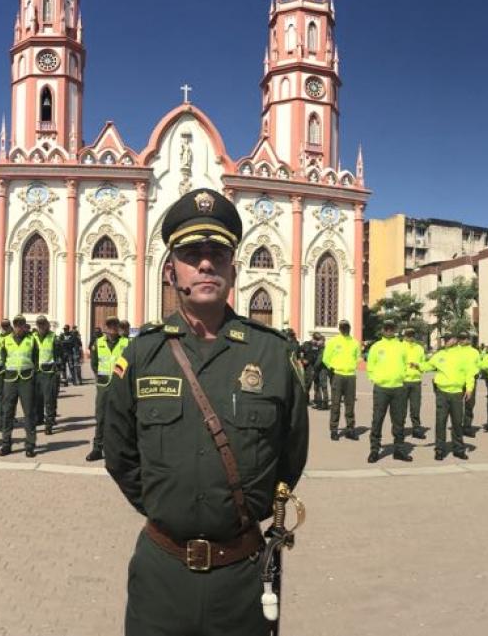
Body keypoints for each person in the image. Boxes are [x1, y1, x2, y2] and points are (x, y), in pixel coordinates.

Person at [101, 188, 308, 636]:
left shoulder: (273, 355)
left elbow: (291, 457)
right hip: (162, 574)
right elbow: (118, 454)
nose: (206, 263)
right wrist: (167, 506)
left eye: (218, 252)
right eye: (192, 253)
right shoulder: (141, 356)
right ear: (172, 268)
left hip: (243, 575)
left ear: (233, 266)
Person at [422, 332, 473, 460]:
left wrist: (469, 388)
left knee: (457, 423)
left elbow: (470, 372)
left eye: (447, 339)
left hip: (457, 393)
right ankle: (439, 450)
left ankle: (458, 449)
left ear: (455, 340)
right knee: (440, 422)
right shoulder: (440, 355)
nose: (445, 342)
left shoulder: (463, 355)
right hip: (442, 393)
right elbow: (428, 366)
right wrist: (417, 366)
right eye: (444, 340)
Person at [366, 320, 411, 463]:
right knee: (377, 419)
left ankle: (399, 450)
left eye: (392, 328)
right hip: (381, 389)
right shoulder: (376, 346)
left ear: (395, 329)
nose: (389, 331)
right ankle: (374, 450)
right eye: (386, 328)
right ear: (383, 330)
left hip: (398, 388)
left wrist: (402, 377)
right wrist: (376, 379)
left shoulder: (402, 346)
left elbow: (406, 364)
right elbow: (370, 366)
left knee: (399, 421)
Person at [85, 317, 129, 462]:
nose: (112, 328)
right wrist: (100, 376)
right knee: (101, 418)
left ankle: (120, 450)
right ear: (105, 327)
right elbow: (94, 363)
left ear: (118, 327)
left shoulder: (126, 342)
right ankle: (97, 449)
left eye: (114, 325)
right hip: (103, 386)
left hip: (120, 386)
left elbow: (129, 362)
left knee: (122, 418)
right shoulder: (98, 343)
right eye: (109, 325)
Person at [0, 314, 39, 457]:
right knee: (8, 412)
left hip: (26, 379)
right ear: (13, 326)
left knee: (29, 413)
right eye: (16, 324)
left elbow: (36, 359)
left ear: (24, 325)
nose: (19, 327)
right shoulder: (5, 341)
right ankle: (6, 444)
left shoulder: (31, 340)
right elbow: (3, 359)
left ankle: (30, 445)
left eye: (21, 324)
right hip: (10, 379)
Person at [322, 320, 359, 441]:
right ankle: (334, 429)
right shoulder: (333, 342)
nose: (344, 329)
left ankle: (350, 429)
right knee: (336, 403)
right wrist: (332, 368)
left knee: (350, 404)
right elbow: (325, 358)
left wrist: (352, 366)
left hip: (350, 376)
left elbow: (357, 357)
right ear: (339, 328)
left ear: (349, 328)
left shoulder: (354, 342)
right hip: (337, 375)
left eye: (346, 327)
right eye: (342, 327)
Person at [33, 316, 59, 435]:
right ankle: (39, 419)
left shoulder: (53, 337)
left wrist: (57, 368)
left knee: (49, 399)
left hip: (49, 372)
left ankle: (48, 424)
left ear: (47, 324)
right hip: (37, 372)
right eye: (39, 324)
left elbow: (59, 354)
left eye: (43, 324)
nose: (41, 326)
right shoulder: (33, 338)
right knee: (37, 398)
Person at [455, 333, 483, 436]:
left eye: (464, 338)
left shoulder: (474, 352)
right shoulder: (454, 351)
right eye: (460, 338)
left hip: (471, 381)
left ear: (468, 339)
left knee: (470, 404)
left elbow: (479, 364)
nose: (462, 340)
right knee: (456, 406)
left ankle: (467, 427)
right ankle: (457, 426)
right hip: (458, 381)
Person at [401, 327, 426, 439]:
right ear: (404, 335)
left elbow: (423, 364)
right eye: (408, 334)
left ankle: (416, 428)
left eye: (412, 334)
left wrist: (418, 366)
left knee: (416, 407)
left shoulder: (419, 348)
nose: (410, 337)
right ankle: (399, 429)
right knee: (401, 407)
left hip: (416, 381)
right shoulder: (399, 347)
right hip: (403, 381)